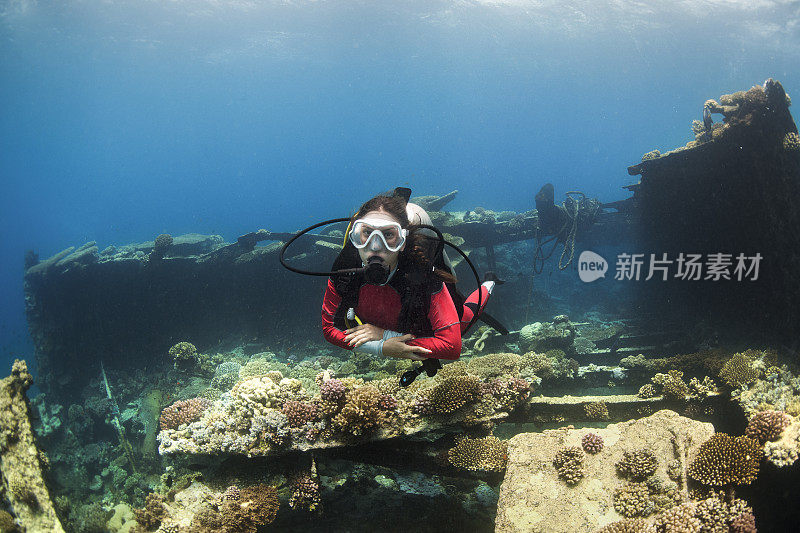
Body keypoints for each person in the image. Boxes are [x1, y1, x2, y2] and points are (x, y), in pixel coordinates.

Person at [321, 190, 500, 361]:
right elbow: (328, 329)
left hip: (419, 321)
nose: (375, 246)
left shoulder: (420, 272)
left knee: (463, 317)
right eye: (367, 232)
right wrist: (381, 347)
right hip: (399, 324)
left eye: (389, 234)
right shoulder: (345, 267)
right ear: (355, 235)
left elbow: (452, 346)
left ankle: (490, 282)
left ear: (403, 242)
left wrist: (385, 336)